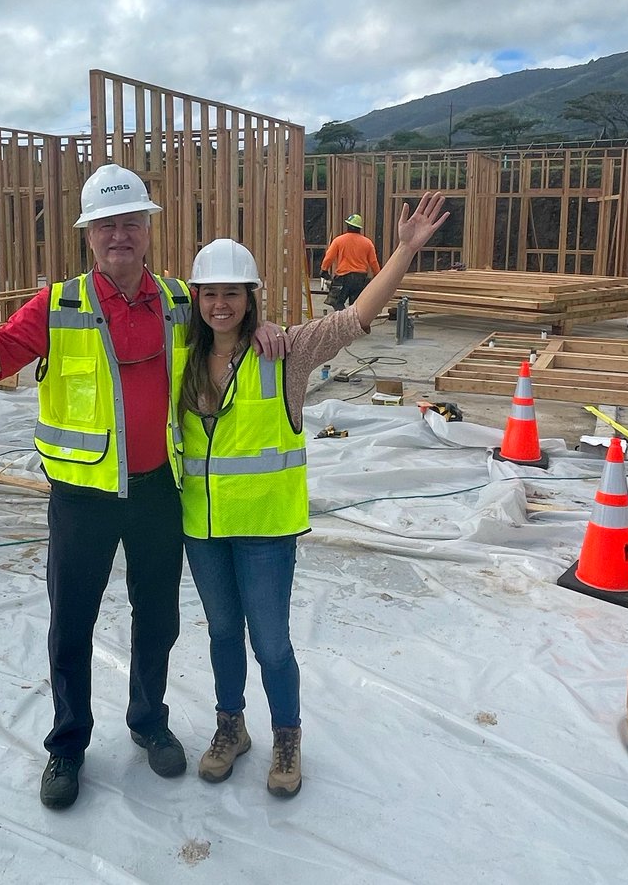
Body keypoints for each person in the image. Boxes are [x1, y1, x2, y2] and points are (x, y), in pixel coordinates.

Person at [0, 164, 287, 810]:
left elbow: (231, 323)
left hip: (159, 489)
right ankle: (67, 747)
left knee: (158, 619)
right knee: (70, 626)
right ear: (89, 234)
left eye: (130, 222)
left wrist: (264, 329)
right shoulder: (57, 304)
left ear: (147, 228)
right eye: (107, 225)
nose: (120, 235)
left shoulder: (175, 299)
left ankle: (148, 721)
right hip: (83, 497)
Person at [177, 191, 448, 798]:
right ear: (196, 300)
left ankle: (287, 738)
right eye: (209, 294)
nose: (220, 305)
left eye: (233, 294)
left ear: (251, 300)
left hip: (268, 532)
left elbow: (353, 320)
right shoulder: (182, 356)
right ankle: (230, 729)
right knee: (222, 634)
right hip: (203, 528)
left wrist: (402, 251)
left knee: (271, 643)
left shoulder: (288, 354)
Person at [320, 213, 382, 311]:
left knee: (336, 302)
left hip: (343, 277)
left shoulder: (339, 240)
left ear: (348, 225)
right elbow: (373, 262)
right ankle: (354, 323)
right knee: (356, 307)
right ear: (359, 228)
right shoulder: (367, 243)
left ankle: (344, 320)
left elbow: (329, 257)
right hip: (360, 279)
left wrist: (324, 270)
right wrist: (378, 276)